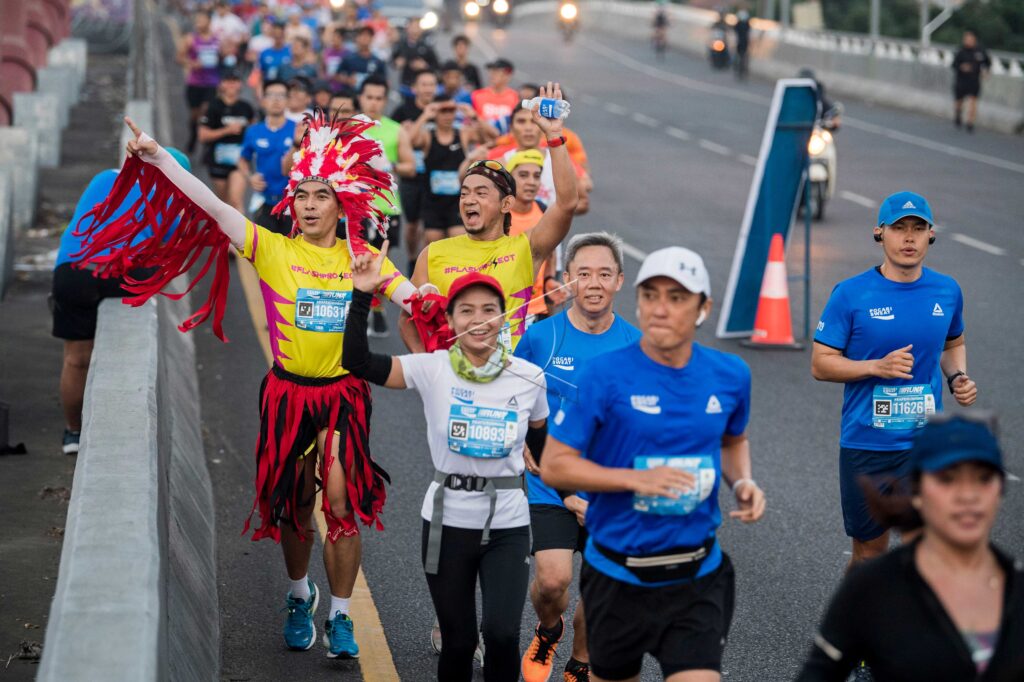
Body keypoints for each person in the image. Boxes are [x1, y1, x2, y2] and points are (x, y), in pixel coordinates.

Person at [104, 113, 420, 661]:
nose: (310, 205)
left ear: (341, 202)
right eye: (302, 196)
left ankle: (341, 617)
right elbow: (213, 205)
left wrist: (435, 297)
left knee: (341, 503)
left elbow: (412, 297)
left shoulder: (363, 260)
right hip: (288, 396)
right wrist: (157, 157)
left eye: (322, 195)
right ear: (291, 202)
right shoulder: (272, 249)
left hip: (343, 397)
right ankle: (300, 596)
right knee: (295, 504)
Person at [541, 246, 766, 682]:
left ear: (704, 308)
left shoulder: (731, 374)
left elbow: (733, 440)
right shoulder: (603, 375)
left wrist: (743, 482)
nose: (660, 308)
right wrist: (636, 480)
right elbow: (555, 465)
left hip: (696, 575)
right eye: (651, 295)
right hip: (616, 576)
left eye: (677, 298)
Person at [343, 265, 549, 682]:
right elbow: (357, 361)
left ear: (504, 318)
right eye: (466, 310)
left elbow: (540, 435)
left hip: (508, 523)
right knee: (458, 640)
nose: (479, 320)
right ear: (451, 320)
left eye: (489, 310)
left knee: (503, 634)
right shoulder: (432, 368)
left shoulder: (530, 377)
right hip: (446, 522)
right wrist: (362, 295)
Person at [811, 191, 978, 569]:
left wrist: (958, 376)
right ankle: (852, 626)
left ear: (930, 235)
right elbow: (821, 364)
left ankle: (911, 626)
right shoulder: (851, 295)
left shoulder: (947, 291)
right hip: (867, 443)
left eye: (918, 228)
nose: (908, 237)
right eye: (899, 228)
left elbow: (953, 343)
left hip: (924, 443)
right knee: (871, 553)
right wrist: (874, 367)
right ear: (879, 233)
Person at [797, 413, 1024, 681]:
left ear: (999, 490)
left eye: (984, 478)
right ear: (916, 491)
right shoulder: (871, 587)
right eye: (947, 479)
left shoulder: (1017, 588)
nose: (968, 496)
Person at [515, 232, 641, 682]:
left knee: (601, 593)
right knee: (552, 582)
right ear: (566, 279)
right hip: (551, 482)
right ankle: (549, 631)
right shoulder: (540, 337)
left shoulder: (638, 346)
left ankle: (580, 663)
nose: (594, 283)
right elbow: (514, 398)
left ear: (620, 281)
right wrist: (522, 444)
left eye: (604, 274)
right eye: (583, 273)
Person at [400, 82, 578, 355]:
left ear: (507, 203)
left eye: (481, 193)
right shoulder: (433, 253)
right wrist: (428, 368)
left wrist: (554, 135)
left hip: (509, 379)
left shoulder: (525, 248)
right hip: (455, 382)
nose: (469, 200)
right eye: (465, 193)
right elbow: (408, 320)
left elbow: (566, 204)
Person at [51, 148, 191, 455]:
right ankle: (116, 428)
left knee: (75, 358)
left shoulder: (104, 178)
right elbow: (168, 256)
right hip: (120, 277)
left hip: (73, 272)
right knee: (123, 352)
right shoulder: (171, 198)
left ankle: (72, 433)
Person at [358, 74, 417, 334]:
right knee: (354, 260)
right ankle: (357, 310)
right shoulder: (352, 127)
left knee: (380, 262)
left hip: (386, 208)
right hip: (355, 207)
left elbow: (411, 167)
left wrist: (386, 166)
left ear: (385, 100)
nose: (373, 103)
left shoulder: (395, 129)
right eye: (369, 97)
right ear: (361, 98)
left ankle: (377, 307)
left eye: (378, 98)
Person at [392, 69, 441, 273]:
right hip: (412, 177)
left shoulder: (442, 109)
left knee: (429, 226)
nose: (428, 88)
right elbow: (399, 142)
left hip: (434, 177)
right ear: (415, 88)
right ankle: (412, 258)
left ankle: (423, 263)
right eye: (424, 84)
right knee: (412, 226)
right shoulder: (403, 111)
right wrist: (424, 117)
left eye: (432, 84)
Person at [233, 80, 297, 235]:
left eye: (281, 95)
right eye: (271, 95)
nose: (276, 100)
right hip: (264, 200)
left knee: (290, 253)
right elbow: (242, 159)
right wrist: (250, 177)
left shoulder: (298, 129)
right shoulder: (254, 131)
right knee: (263, 253)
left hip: (292, 203)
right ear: (263, 100)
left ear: (288, 101)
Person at [410, 96, 471, 246]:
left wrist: (474, 115)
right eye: (443, 110)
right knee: (433, 243)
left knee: (457, 241)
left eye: (451, 110)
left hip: (456, 201)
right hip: (432, 202)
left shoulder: (462, 134)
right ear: (436, 112)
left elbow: (492, 136)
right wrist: (425, 116)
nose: (448, 115)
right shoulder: (427, 136)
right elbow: (409, 141)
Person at [506, 149, 555, 321]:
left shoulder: (543, 211)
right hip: (505, 308)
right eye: (524, 175)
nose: (531, 182)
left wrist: (549, 279)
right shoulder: (498, 214)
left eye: (536, 176)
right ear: (510, 178)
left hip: (536, 306)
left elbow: (550, 253)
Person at [198, 68, 255, 201]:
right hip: (218, 161)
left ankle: (239, 222)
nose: (231, 84)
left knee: (236, 200)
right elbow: (202, 135)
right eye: (228, 81)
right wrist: (227, 130)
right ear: (222, 84)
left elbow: (253, 131)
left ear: (240, 84)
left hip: (240, 161)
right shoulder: (213, 107)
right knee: (223, 202)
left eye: (235, 81)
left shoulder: (246, 107)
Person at [177, 9, 222, 153]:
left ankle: (206, 144)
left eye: (201, 20)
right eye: (197, 20)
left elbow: (222, 58)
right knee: (195, 115)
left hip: (212, 83)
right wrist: (191, 63)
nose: (198, 23)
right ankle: (193, 136)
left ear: (209, 21)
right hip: (195, 83)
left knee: (206, 111)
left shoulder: (217, 39)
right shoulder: (190, 39)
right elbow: (179, 58)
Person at [952, 30, 991, 133]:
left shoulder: (980, 51)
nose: (967, 41)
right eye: (966, 39)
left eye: (969, 39)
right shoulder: (960, 51)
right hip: (961, 80)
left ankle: (970, 123)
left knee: (973, 101)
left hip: (974, 80)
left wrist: (986, 72)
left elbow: (987, 63)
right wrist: (962, 67)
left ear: (974, 39)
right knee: (959, 102)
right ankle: (958, 114)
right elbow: (954, 65)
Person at [471, 59, 519, 135]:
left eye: (496, 71)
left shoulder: (515, 97)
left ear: (508, 75)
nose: (492, 74)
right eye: (491, 71)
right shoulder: (477, 95)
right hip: (482, 140)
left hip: (505, 141)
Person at [392, 18, 439, 91]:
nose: (414, 30)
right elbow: (392, 62)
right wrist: (397, 63)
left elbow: (436, 66)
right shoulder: (400, 45)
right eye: (412, 27)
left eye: (417, 27)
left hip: (422, 86)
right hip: (405, 84)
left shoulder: (426, 47)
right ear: (407, 28)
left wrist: (425, 66)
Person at [337, 26, 388, 90]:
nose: (365, 38)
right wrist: (347, 80)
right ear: (357, 38)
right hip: (352, 95)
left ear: (372, 39)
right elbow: (336, 76)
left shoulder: (378, 61)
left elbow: (384, 80)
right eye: (362, 35)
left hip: (369, 96)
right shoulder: (348, 58)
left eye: (368, 35)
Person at [255, 19, 291, 93]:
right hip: (268, 88)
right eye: (275, 35)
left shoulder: (291, 52)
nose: (278, 37)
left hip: (286, 88)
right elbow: (259, 74)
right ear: (272, 35)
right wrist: (259, 91)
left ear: (284, 34)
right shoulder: (264, 53)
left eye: (280, 34)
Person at [733, 8, 751, 80]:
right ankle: (740, 68)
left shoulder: (739, 24)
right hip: (743, 43)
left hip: (742, 43)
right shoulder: (746, 24)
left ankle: (741, 68)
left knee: (742, 56)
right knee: (742, 56)